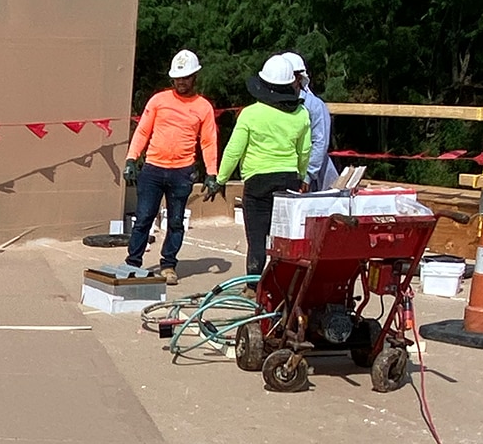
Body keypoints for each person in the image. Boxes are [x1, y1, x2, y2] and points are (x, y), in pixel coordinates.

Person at [122, 49, 220, 285]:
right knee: (144, 217)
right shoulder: (158, 101)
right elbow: (143, 130)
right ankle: (132, 263)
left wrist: (212, 173)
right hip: (153, 169)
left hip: (182, 171)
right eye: (178, 77)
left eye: (186, 77)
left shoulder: (203, 107)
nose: (181, 82)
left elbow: (208, 142)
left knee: (176, 222)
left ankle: (168, 265)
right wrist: (131, 159)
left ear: (195, 77)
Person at [216, 55, 311, 295]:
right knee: (284, 239)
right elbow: (305, 151)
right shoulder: (301, 114)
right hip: (289, 180)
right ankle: (283, 287)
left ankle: (252, 287)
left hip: (258, 183)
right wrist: (300, 177)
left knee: (257, 238)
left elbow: (234, 150)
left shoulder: (250, 114)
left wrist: (221, 179)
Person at [281, 52, 339, 192]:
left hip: (316, 179)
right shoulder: (274, 104)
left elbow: (320, 143)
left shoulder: (314, 106)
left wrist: (308, 175)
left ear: (298, 78)